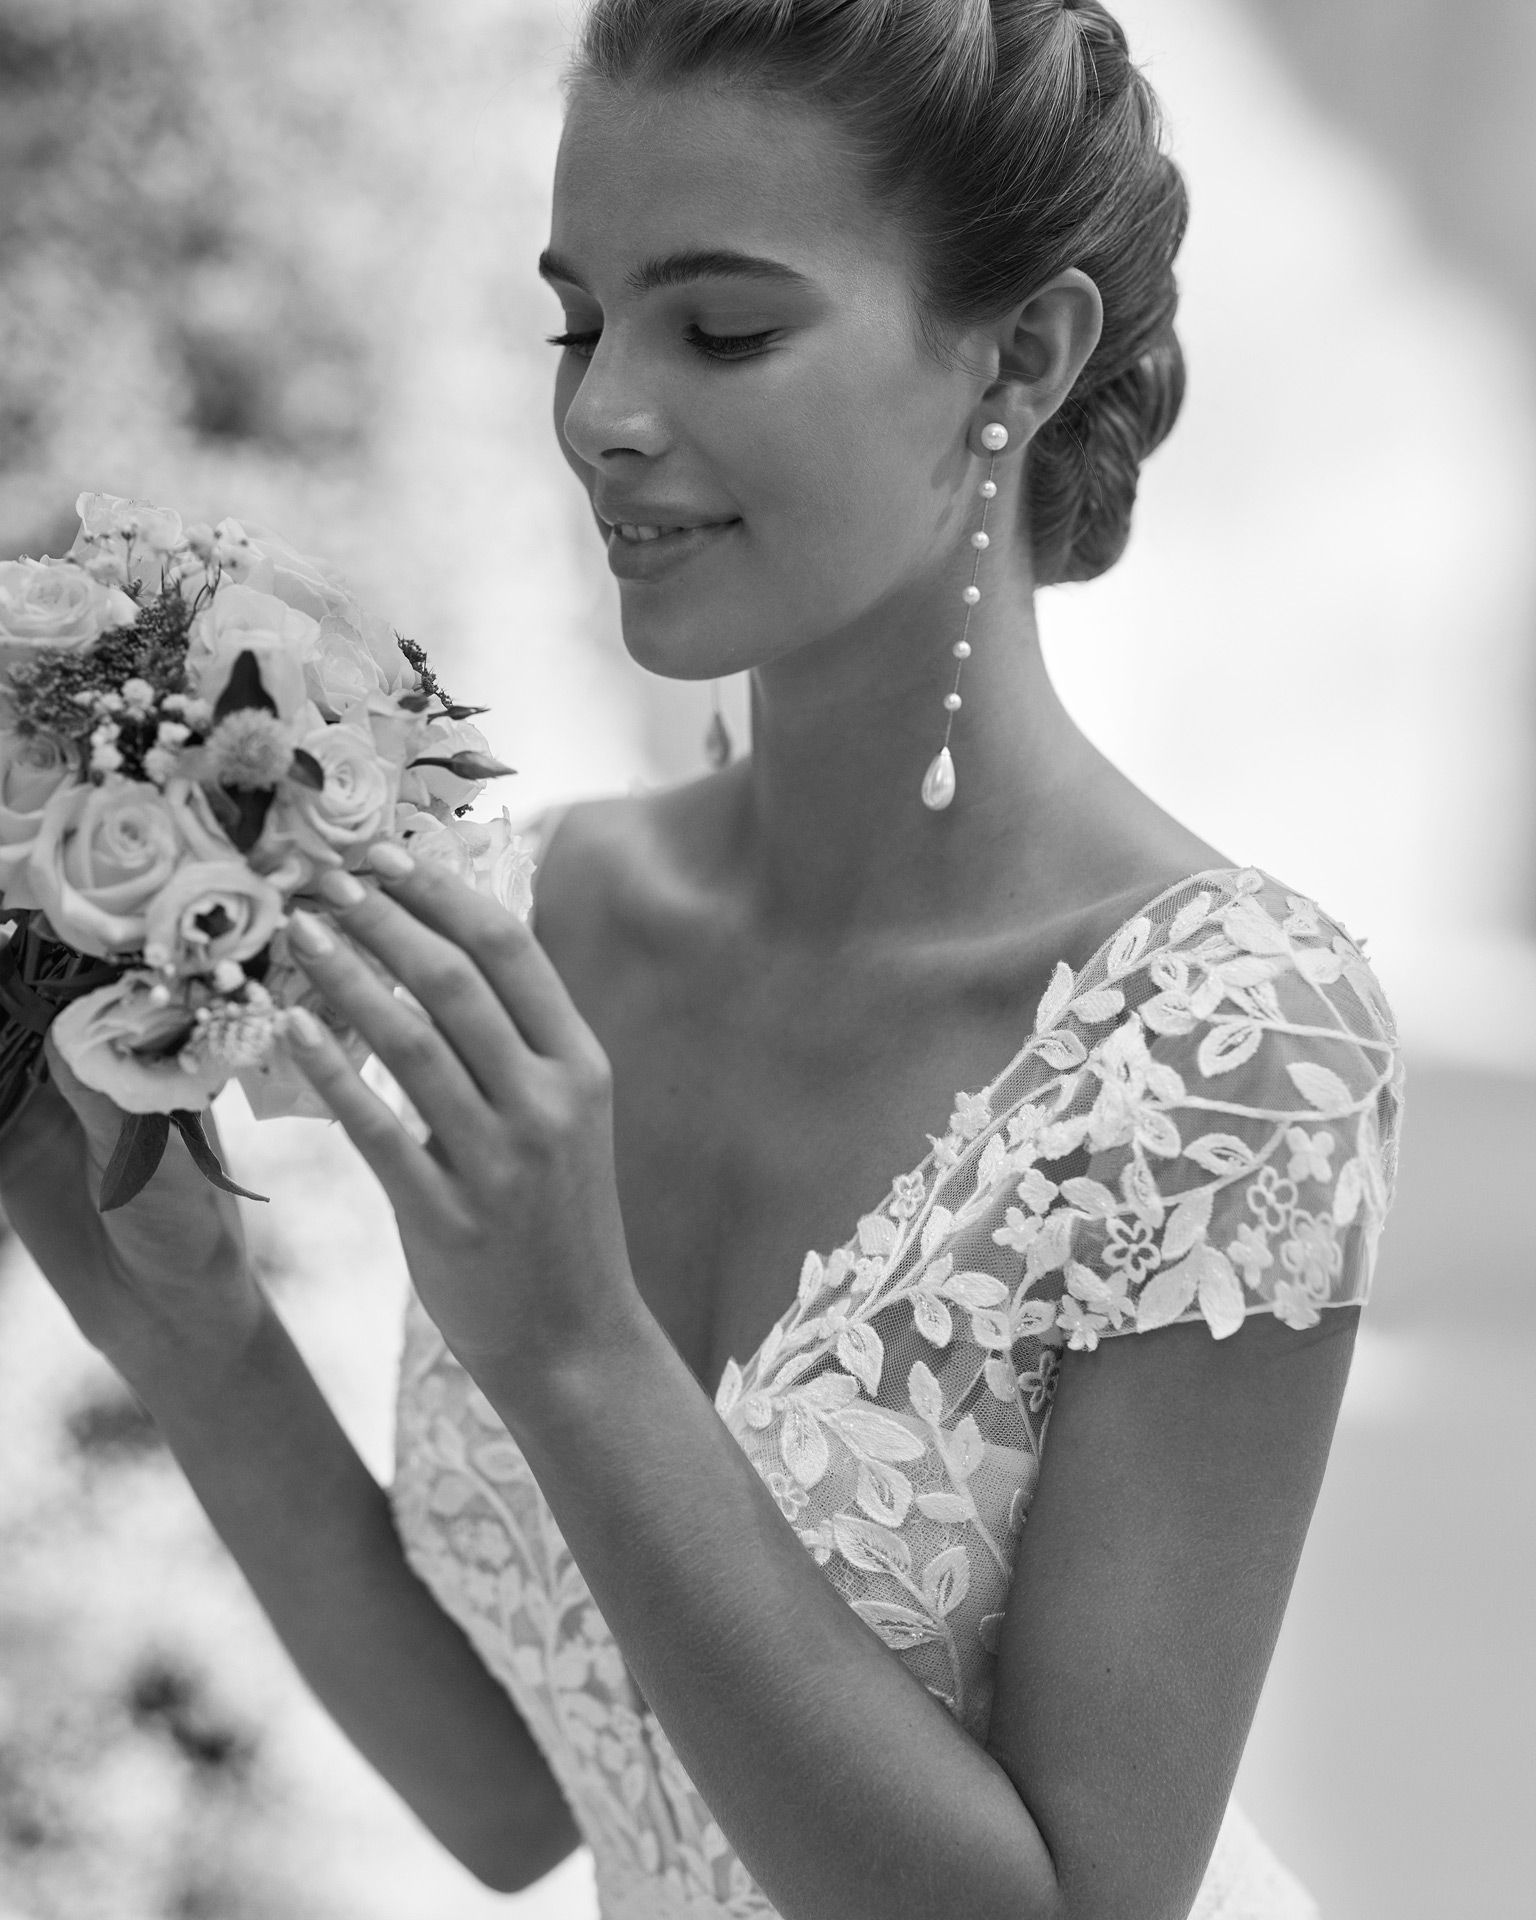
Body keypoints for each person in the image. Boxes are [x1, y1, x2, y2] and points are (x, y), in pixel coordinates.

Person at [0, 1, 1407, 1915]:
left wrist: (575, 1347)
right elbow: (524, 1798)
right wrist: (184, 1326)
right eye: (578, 322)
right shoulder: (519, 921)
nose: (602, 414)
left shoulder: (1232, 1044)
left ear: (1025, 354)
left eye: (724, 328)